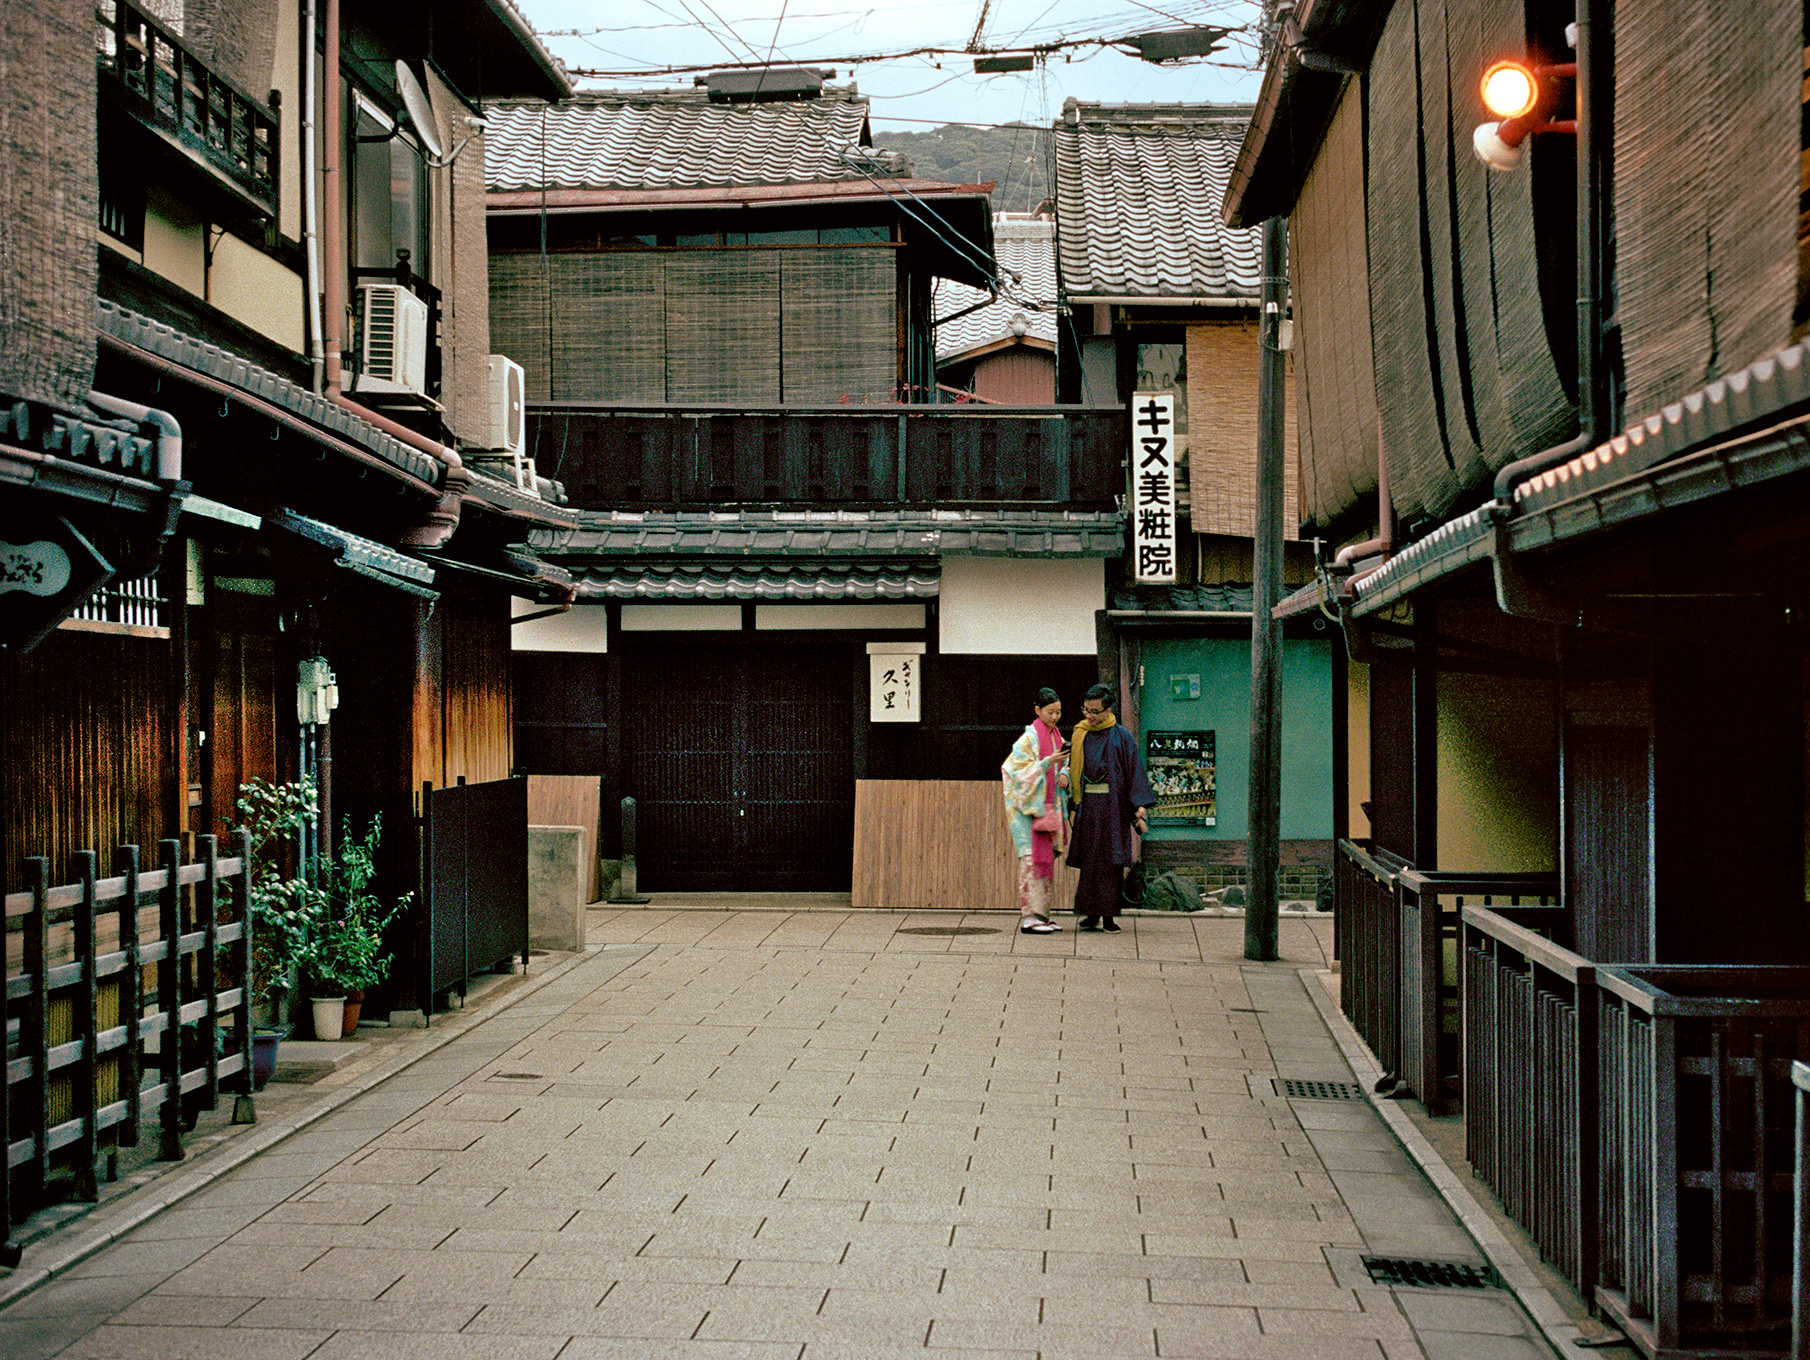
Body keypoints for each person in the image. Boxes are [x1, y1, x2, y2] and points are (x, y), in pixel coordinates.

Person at [1066, 682, 1155, 932]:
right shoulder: (1080, 733)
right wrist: (1072, 805)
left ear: (1108, 710)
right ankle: (1091, 913)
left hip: (1113, 808)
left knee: (1110, 862)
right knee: (1090, 860)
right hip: (1088, 806)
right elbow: (1071, 767)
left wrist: (1139, 806)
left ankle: (1108, 916)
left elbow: (1134, 772)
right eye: (1086, 710)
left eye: (1095, 711)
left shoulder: (1122, 737)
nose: (1089, 716)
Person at [1001, 687, 1070, 934]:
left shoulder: (1056, 736)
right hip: (1029, 813)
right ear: (1037, 710)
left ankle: (1042, 915)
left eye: (1059, 712)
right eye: (1050, 712)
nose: (1055, 717)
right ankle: (1029, 917)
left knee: (1045, 861)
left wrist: (1063, 772)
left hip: (1048, 809)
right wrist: (1045, 763)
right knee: (1031, 862)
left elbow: (1064, 762)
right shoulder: (1029, 739)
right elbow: (1013, 772)